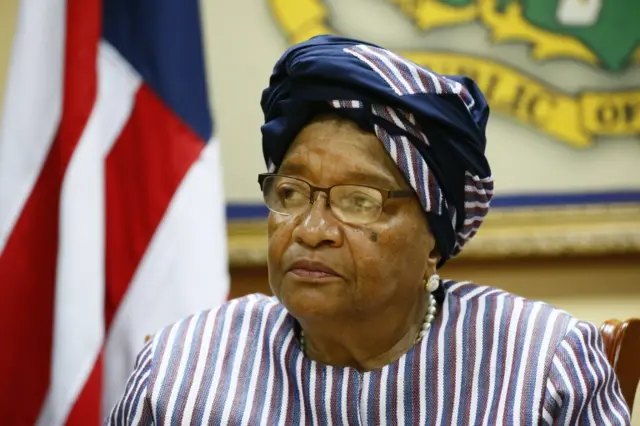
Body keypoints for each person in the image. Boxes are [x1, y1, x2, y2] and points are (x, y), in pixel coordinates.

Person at [106, 35, 631, 425]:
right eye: (291, 194)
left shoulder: (540, 367)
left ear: (433, 240)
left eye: (359, 201)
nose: (311, 230)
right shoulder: (181, 371)